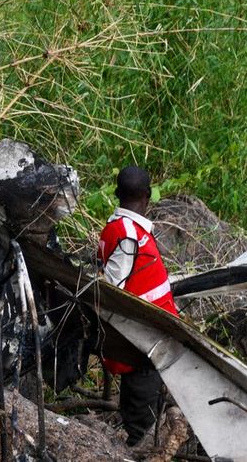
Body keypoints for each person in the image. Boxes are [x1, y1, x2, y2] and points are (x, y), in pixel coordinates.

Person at [97, 165, 179, 446]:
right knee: (141, 427)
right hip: (142, 344)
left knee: (147, 413)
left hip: (149, 341)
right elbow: (113, 291)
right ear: (147, 195)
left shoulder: (122, 229)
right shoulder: (128, 234)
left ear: (118, 193)